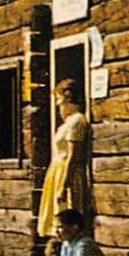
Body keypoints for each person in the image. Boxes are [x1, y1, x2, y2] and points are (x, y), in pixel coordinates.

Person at [36, 79, 89, 239]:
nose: (59, 106)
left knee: (66, 217)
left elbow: (73, 155)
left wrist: (64, 185)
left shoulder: (77, 121)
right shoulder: (67, 122)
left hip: (67, 172)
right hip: (58, 170)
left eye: (59, 101)